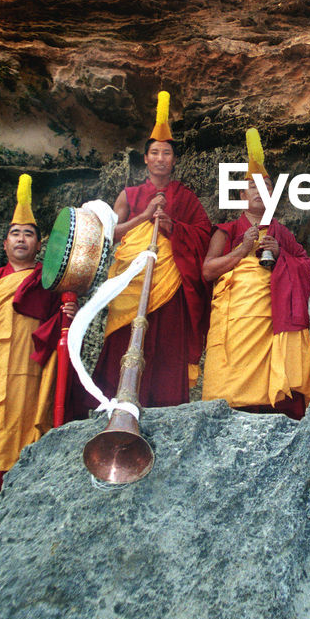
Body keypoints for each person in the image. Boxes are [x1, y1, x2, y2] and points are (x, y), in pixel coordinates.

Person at [71, 90, 211, 414]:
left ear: (174, 160)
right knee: (123, 344)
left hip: (169, 285)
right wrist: (145, 216)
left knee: (165, 349)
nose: (161, 158)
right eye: (155, 153)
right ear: (145, 159)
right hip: (131, 283)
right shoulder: (129, 194)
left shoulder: (186, 198)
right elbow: (111, 237)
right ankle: (112, 412)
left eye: (166, 153)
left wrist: (174, 229)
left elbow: (204, 236)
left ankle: (165, 412)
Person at [0, 174, 70, 511]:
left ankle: (17, 506)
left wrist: (69, 310)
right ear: (5, 243)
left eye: (28, 234)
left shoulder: (47, 280)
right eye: (15, 234)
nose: (21, 239)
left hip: (27, 373)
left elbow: (60, 323)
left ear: (39, 245)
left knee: (21, 430)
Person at [201, 129, 310, 418]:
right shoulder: (227, 231)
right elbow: (207, 271)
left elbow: (305, 267)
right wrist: (241, 250)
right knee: (229, 396)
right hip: (235, 322)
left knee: (272, 402)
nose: (259, 191)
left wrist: (280, 253)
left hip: (272, 321)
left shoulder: (282, 234)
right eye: (253, 186)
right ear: (243, 194)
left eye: (266, 186)